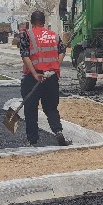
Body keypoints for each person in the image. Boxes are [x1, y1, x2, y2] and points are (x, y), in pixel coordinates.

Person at [19, 10, 71, 147]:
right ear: (44, 22)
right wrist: (54, 68)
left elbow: (25, 56)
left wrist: (35, 74)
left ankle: (32, 140)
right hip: (51, 77)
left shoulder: (27, 35)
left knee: (30, 108)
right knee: (51, 107)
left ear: (31, 22)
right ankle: (58, 131)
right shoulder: (54, 35)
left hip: (33, 77)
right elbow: (62, 52)